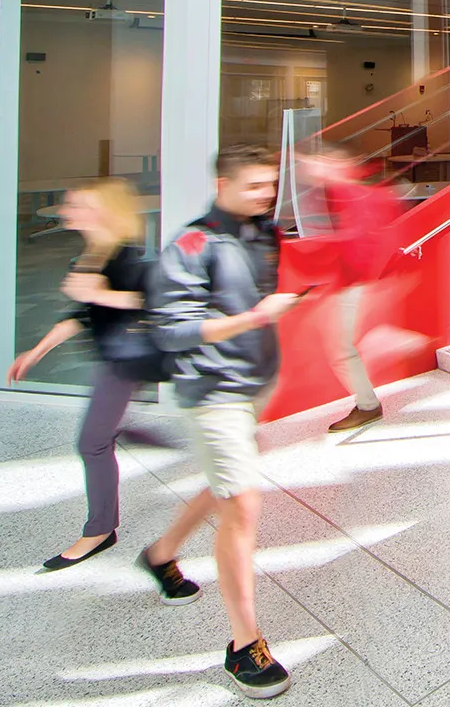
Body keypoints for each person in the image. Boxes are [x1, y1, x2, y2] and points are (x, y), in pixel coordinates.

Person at [143, 145, 301, 699]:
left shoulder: (265, 232)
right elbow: (173, 331)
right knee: (244, 503)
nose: (266, 195)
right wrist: (257, 318)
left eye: (270, 185)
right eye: (254, 185)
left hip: (255, 384)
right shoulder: (191, 243)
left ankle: (160, 555)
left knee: (227, 486)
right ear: (220, 182)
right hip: (213, 392)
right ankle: (243, 646)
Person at [8, 178, 169, 571]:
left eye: (77, 205)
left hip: (124, 363)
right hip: (111, 360)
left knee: (91, 444)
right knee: (100, 435)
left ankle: (100, 530)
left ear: (102, 211)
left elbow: (151, 302)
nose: (67, 211)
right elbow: (81, 316)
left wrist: (99, 294)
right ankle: (128, 433)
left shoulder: (127, 256)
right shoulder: (92, 254)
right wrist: (36, 351)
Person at [299, 142, 402, 432]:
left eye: (323, 160)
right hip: (359, 282)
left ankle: (368, 405)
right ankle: (370, 394)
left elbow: (359, 245)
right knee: (341, 342)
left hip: (357, 283)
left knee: (342, 346)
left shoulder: (349, 194)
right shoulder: (348, 193)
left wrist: (348, 283)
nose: (314, 166)